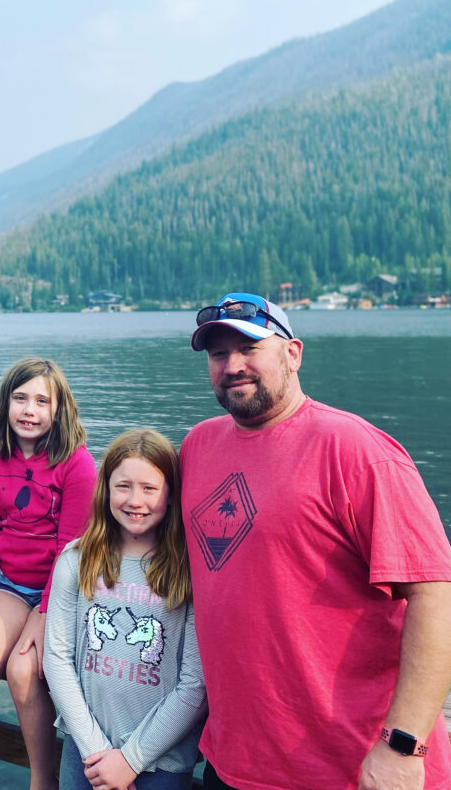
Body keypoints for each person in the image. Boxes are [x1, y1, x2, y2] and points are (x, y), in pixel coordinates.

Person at [182, 292, 451, 790]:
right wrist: (48, 607)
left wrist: (403, 744)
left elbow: (435, 594)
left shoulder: (356, 451)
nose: (233, 365)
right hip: (232, 761)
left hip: (349, 768)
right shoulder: (198, 446)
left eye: (249, 347)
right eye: (218, 354)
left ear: (292, 353)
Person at [0, 358, 97, 790]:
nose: (29, 410)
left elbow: (69, 552)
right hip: (12, 586)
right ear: (6, 404)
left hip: (63, 590)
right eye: (20, 398)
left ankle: (42, 779)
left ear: (59, 410)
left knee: (21, 672)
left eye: (42, 400)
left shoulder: (76, 465)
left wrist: (43, 616)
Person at [44, 429, 206, 790]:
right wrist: (97, 750)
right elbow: (56, 658)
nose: (136, 500)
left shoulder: (189, 569)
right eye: (123, 486)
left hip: (160, 759)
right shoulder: (76, 560)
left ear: (171, 494)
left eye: (150, 488)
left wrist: (131, 759)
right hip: (87, 752)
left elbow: (195, 683)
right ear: (106, 488)